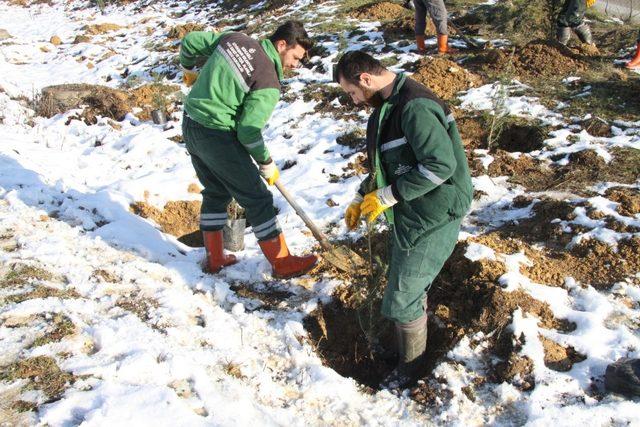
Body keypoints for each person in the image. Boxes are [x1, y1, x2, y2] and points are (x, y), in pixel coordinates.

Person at [333, 51, 473, 388]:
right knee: (403, 288)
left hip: (435, 212)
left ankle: (410, 370)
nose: (353, 101)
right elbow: (386, 166)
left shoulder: (414, 107)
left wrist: (387, 197)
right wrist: (362, 196)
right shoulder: (385, 109)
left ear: (365, 79)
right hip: (411, 212)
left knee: (402, 297)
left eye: (352, 93)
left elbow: (440, 166)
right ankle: (403, 350)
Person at [179, 21, 318, 279]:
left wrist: (188, 69)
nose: (295, 65)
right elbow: (248, 131)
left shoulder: (235, 40)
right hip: (216, 134)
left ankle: (216, 257)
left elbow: (189, 42)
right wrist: (266, 162)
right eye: (295, 57)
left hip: (190, 124)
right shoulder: (268, 80)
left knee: (217, 191)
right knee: (258, 198)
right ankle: (282, 262)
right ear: (281, 45)